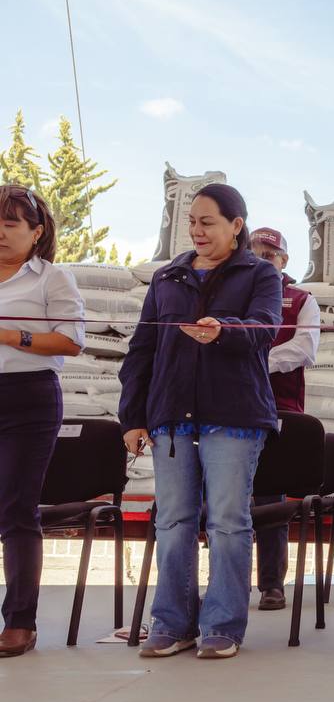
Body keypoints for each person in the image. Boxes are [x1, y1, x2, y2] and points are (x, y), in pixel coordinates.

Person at [119, 183, 282, 660]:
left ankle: (223, 625)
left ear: (236, 225)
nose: (197, 231)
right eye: (192, 222)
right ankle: (172, 623)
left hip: (234, 416)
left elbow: (266, 327)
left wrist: (224, 331)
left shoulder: (260, 274)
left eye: (207, 222)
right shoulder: (166, 278)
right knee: (172, 521)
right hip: (170, 416)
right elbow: (142, 350)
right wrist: (132, 417)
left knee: (228, 521)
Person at [0, 186, 85, 657]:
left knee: (16, 507)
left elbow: (71, 341)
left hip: (28, 397)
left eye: (10, 223)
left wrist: (11, 335)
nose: (0, 232)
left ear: (36, 233)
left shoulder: (53, 279)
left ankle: (19, 622)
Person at [247, 227, 319, 611]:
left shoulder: (302, 300)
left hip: (280, 410)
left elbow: (305, 348)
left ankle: (271, 585)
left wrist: (256, 362)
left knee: (269, 496)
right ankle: (226, 580)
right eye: (254, 253)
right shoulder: (234, 293)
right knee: (225, 499)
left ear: (284, 260)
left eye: (269, 255)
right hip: (232, 408)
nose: (261, 261)